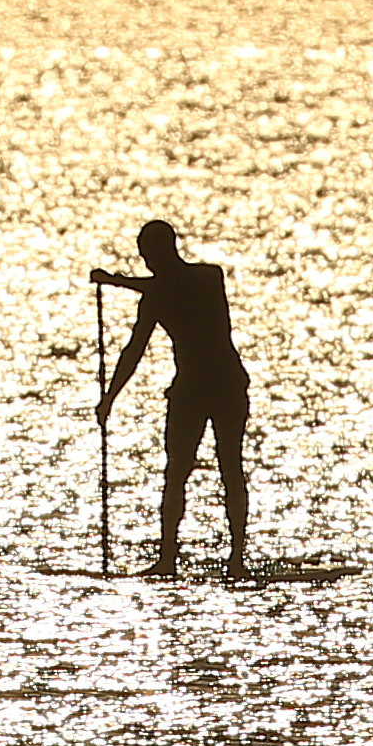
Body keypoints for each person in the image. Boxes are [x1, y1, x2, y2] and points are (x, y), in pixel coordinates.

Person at [92, 218, 249, 579]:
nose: (147, 261)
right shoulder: (155, 298)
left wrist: (115, 281)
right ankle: (167, 558)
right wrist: (109, 399)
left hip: (225, 384)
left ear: (165, 250)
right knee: (176, 471)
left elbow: (172, 284)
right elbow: (134, 351)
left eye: (150, 254)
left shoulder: (209, 278)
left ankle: (237, 558)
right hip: (188, 388)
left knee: (230, 467)